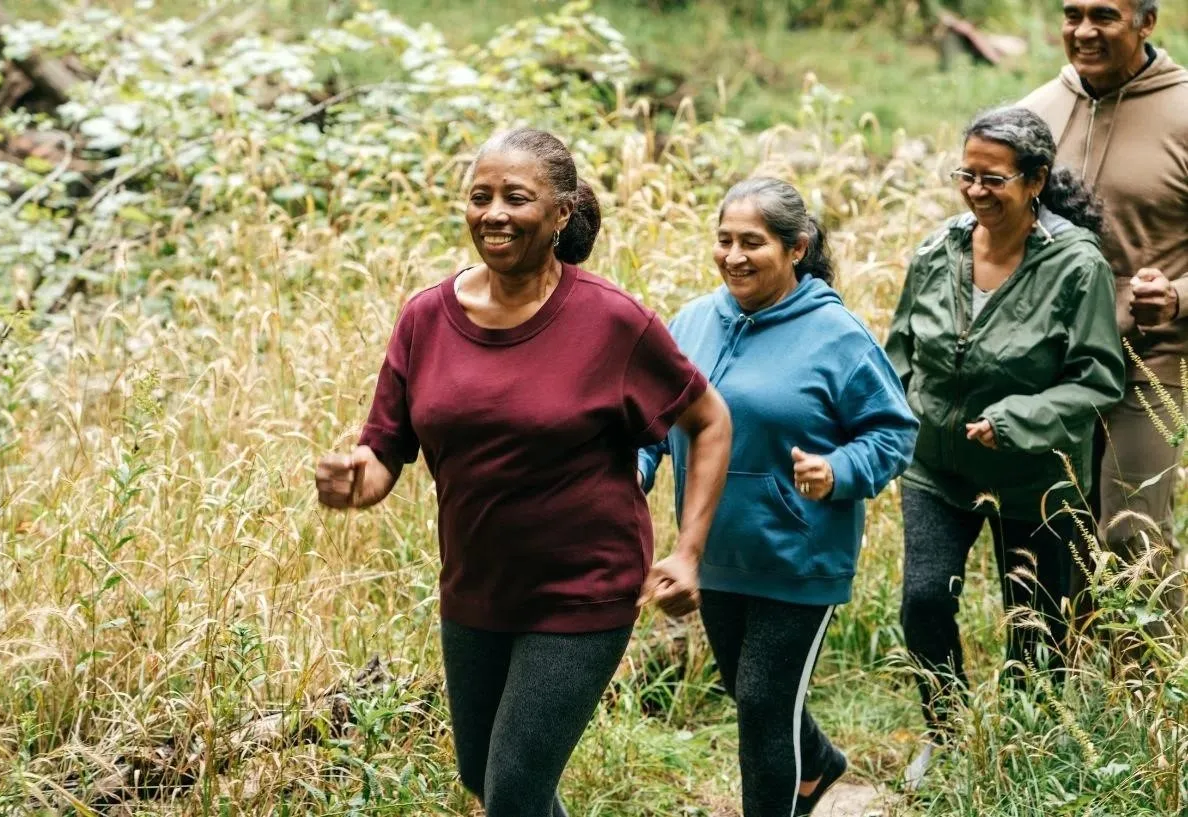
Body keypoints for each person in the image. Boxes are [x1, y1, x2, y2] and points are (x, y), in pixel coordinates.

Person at [314, 128, 731, 817]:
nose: (493, 213)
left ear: (563, 211)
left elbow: (709, 420)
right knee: (487, 777)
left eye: (516, 196)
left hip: (583, 587)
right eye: (480, 197)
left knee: (513, 790)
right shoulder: (426, 317)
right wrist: (359, 479)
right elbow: (386, 447)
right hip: (476, 586)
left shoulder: (611, 321)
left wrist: (688, 551)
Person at [639, 178, 918, 817]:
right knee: (750, 691)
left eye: (753, 243)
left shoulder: (836, 335)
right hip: (712, 548)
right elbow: (653, 414)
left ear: (796, 248)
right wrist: (637, 463)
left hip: (799, 555)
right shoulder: (692, 322)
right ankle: (819, 764)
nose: (734, 256)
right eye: (725, 240)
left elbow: (893, 430)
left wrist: (839, 469)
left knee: (763, 707)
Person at [886, 106, 1125, 785]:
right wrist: (897, 417)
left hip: (1034, 476)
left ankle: (1020, 750)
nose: (976, 190)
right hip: (936, 466)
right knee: (924, 600)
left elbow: (1098, 378)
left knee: (1036, 622)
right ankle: (947, 730)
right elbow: (899, 350)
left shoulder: (1076, 265)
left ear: (1036, 180)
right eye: (967, 174)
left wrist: (1020, 418)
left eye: (994, 178)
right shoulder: (939, 250)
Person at [1020, 0, 1188, 627]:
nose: (1083, 31)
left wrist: (1176, 294)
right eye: (1072, 14)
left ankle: (1148, 707)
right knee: (1051, 532)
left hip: (1149, 357)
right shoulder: (1036, 112)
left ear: (1146, 24)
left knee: (1131, 532)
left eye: (1104, 16)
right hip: (1047, 359)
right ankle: (1060, 690)